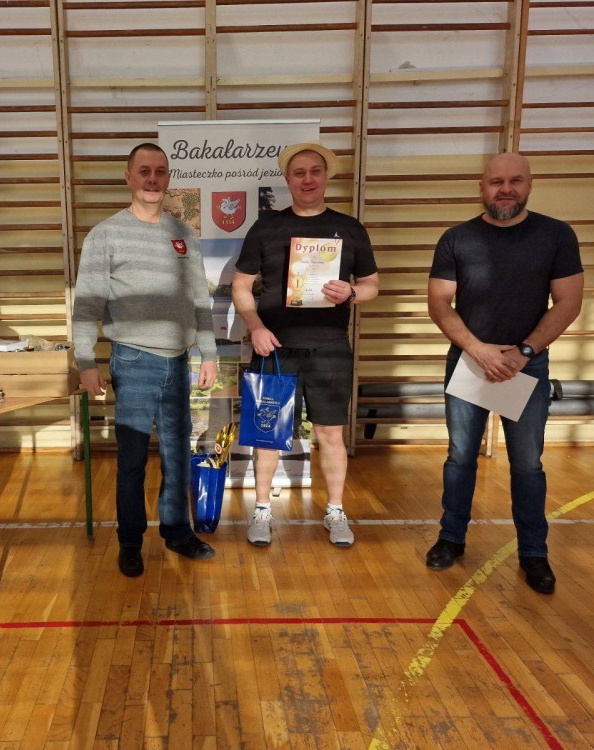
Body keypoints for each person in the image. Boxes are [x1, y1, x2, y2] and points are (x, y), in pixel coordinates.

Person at [426, 152, 584, 594]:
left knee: (527, 463)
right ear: (482, 187)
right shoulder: (457, 238)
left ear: (530, 184)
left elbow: (569, 302)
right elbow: (439, 303)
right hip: (470, 360)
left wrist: (524, 352)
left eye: (515, 180)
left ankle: (534, 552)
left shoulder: (556, 235)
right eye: (496, 181)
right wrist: (478, 350)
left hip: (526, 364)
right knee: (460, 457)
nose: (506, 189)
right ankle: (451, 539)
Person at [72, 142, 219, 578]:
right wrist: (85, 361)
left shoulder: (183, 233)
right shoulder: (105, 234)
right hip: (133, 361)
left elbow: (199, 299)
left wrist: (208, 353)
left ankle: (177, 532)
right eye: (144, 171)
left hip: (178, 362)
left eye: (160, 171)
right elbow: (87, 305)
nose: (152, 179)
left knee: (177, 455)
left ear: (167, 178)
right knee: (132, 460)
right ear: (128, 177)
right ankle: (130, 542)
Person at [232, 142, 379, 547]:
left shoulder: (350, 228)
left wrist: (351, 293)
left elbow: (371, 285)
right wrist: (255, 327)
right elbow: (241, 286)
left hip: (330, 347)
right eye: (299, 173)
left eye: (315, 171)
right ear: (288, 179)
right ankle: (262, 510)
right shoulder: (266, 228)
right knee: (268, 434)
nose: (308, 179)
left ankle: (335, 510)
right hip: (274, 348)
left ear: (326, 176)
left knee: (330, 433)